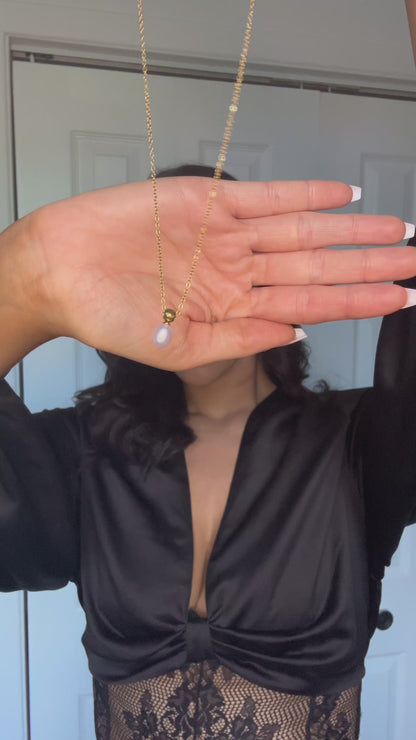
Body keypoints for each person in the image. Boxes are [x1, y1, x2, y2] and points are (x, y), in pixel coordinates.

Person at [0, 169, 415, 740]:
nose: (184, 297)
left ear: (270, 272)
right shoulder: (84, 449)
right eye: (160, 274)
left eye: (207, 265)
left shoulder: (361, 443)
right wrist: (26, 270)